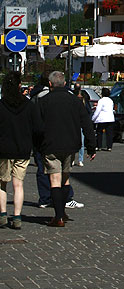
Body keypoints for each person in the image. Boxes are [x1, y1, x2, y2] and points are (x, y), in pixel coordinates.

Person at [36, 71, 96, 227]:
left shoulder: (44, 101)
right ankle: (62, 212)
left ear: (50, 84)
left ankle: (58, 216)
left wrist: (37, 146)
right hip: (70, 145)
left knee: (54, 180)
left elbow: (36, 127)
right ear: (64, 84)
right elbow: (87, 124)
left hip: (50, 145)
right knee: (65, 178)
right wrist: (91, 146)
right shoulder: (75, 101)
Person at [31, 75, 84, 210]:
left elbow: (36, 124)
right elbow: (84, 120)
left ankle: (56, 211)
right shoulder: (68, 98)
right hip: (65, 141)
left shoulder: (39, 98)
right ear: (64, 83)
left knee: (51, 176)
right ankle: (62, 204)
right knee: (63, 177)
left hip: (47, 142)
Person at [0, 72, 42, 230]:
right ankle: (17, 217)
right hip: (23, 149)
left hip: (3, 149)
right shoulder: (29, 105)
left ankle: (2, 214)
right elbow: (38, 128)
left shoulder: (1, 105)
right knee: (18, 184)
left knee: (1, 184)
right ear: (19, 86)